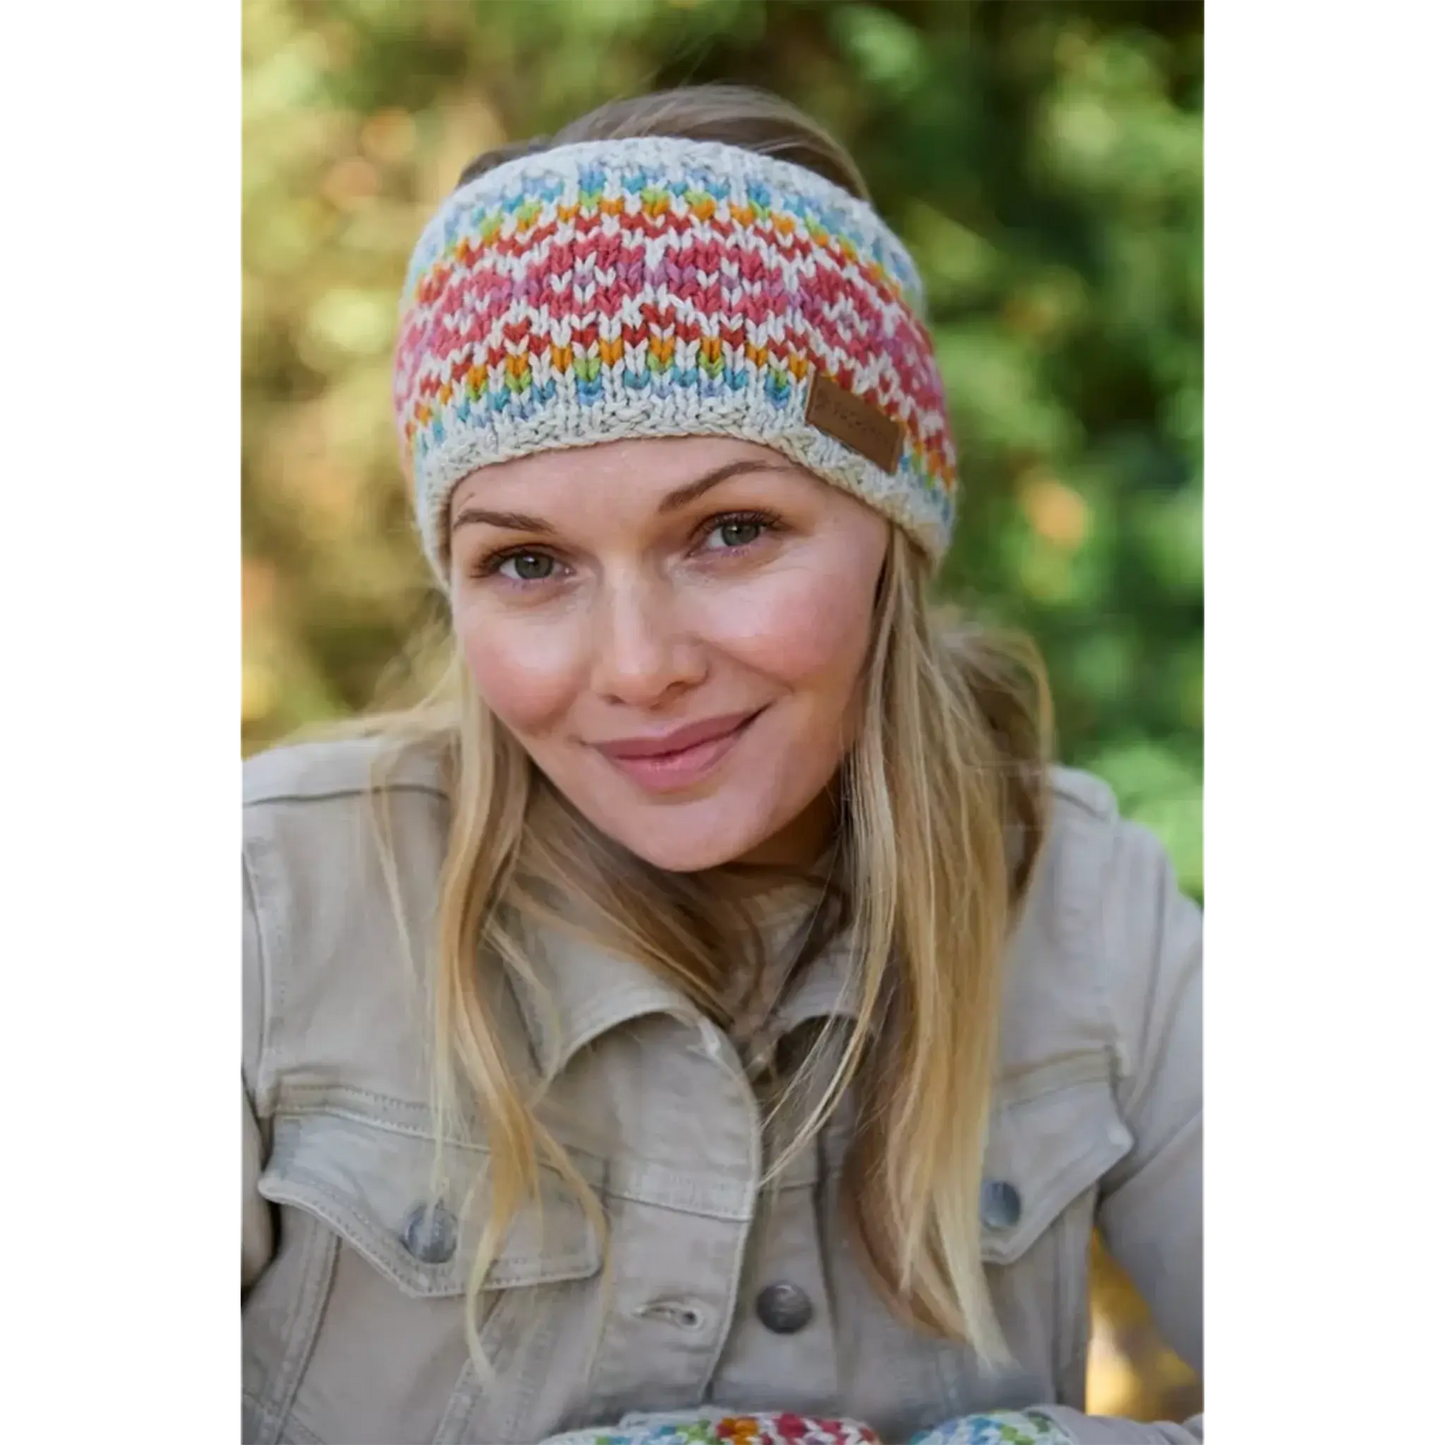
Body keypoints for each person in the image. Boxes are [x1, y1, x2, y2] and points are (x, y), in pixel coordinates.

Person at [238, 85, 1206, 1445]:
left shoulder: (1091, 915)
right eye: (528, 563)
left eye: (732, 530)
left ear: (891, 532)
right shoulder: (273, 910)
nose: (637, 666)